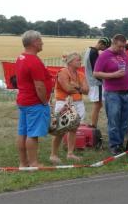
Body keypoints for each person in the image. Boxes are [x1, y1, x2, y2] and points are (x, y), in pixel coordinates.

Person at [15, 30, 53, 168]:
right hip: (34, 102)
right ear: (34, 42)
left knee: (23, 132)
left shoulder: (21, 57)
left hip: (24, 100)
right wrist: (44, 101)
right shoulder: (34, 60)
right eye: (40, 40)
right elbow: (39, 86)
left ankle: (23, 162)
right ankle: (33, 163)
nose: (42, 43)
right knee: (33, 134)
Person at [94, 34, 128, 155]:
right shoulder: (104, 55)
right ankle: (114, 145)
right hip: (113, 93)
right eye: (120, 46)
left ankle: (120, 143)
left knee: (125, 121)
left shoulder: (123, 53)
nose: (122, 49)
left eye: (123, 46)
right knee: (114, 120)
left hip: (127, 92)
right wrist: (113, 75)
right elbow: (96, 73)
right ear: (113, 43)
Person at [50, 52, 89, 164]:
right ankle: (53, 155)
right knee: (60, 130)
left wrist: (76, 86)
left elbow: (87, 91)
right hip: (64, 103)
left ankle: (70, 153)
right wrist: (79, 88)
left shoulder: (80, 74)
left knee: (73, 128)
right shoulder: (63, 72)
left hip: (78, 103)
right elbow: (67, 88)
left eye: (80, 60)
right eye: (78, 60)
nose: (80, 62)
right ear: (70, 62)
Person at [85, 37, 109, 128]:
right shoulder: (94, 53)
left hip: (91, 81)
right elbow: (97, 69)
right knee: (98, 104)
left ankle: (93, 124)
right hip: (96, 82)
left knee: (98, 104)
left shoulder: (89, 50)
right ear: (101, 44)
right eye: (105, 47)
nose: (105, 49)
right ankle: (93, 124)